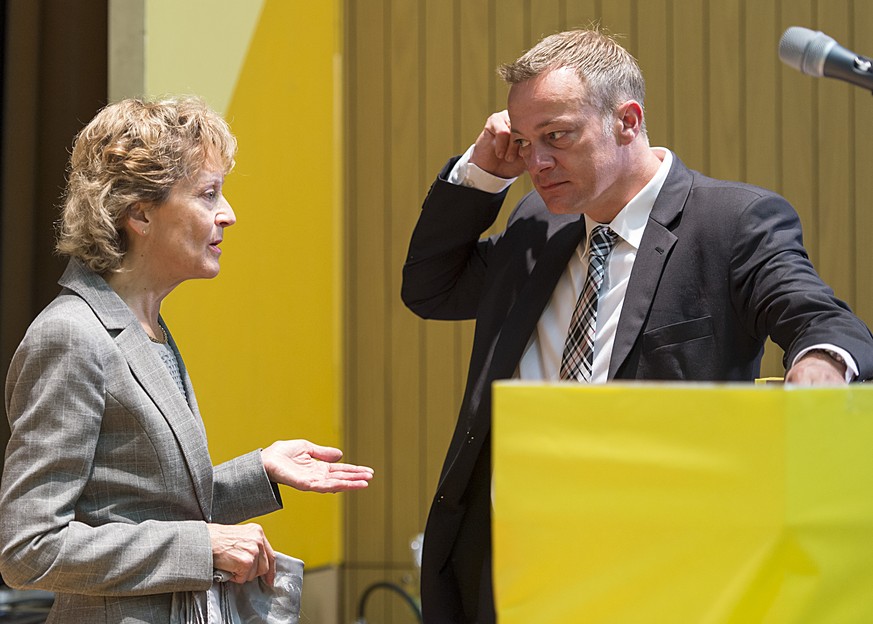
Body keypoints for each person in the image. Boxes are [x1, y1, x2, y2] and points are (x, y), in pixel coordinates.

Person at [401, 29, 873, 623]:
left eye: (557, 137)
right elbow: (430, 288)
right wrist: (480, 174)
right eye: (525, 143)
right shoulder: (535, 222)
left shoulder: (731, 223)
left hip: (658, 570)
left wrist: (821, 364)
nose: (538, 163)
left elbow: (820, 319)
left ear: (627, 120)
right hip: (511, 562)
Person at [0, 96, 374, 623]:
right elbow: (30, 550)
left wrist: (260, 470)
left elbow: (137, 507)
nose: (229, 213)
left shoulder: (145, 325)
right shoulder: (71, 336)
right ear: (140, 212)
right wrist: (201, 549)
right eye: (207, 194)